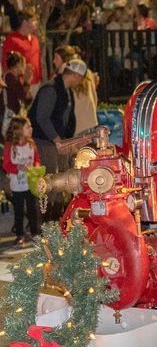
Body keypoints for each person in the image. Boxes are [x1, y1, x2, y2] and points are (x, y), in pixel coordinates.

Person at [28, 58, 86, 219]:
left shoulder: (65, 91)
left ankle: (57, 217)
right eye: (80, 78)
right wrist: (57, 139)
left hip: (57, 141)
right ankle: (44, 220)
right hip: (45, 141)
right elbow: (42, 118)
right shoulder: (51, 89)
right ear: (75, 75)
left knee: (63, 179)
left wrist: (67, 140)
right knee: (50, 180)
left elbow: (66, 119)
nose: (81, 81)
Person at [3, 116, 40, 246]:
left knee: (33, 209)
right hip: (17, 185)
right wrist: (17, 167)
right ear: (18, 130)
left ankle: (35, 233)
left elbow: (36, 160)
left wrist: (35, 168)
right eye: (27, 127)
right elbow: (6, 165)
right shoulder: (10, 146)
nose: (31, 128)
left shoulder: (31, 144)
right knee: (18, 211)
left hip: (30, 184)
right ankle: (19, 234)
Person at [1, 11, 41, 90]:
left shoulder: (35, 39)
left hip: (36, 83)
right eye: (33, 20)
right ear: (25, 22)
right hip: (20, 85)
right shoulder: (12, 40)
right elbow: (6, 63)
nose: (36, 23)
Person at [3, 51, 33, 136]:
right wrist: (27, 81)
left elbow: (27, 100)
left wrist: (27, 82)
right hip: (8, 115)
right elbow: (22, 95)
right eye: (24, 63)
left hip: (14, 114)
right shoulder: (9, 77)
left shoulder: (17, 78)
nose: (25, 66)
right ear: (18, 64)